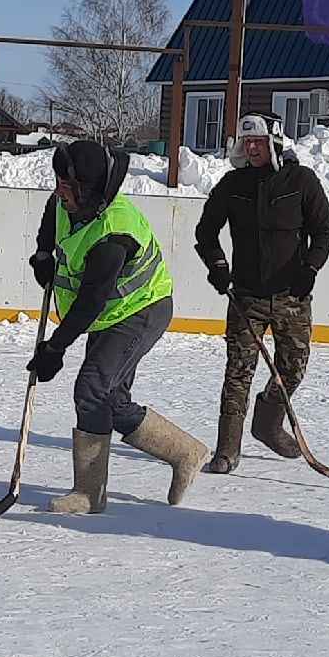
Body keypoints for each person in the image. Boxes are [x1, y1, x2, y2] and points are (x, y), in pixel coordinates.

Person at [27, 140, 208, 512]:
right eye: (58, 183)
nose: (59, 193)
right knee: (110, 398)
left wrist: (54, 349)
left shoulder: (114, 233)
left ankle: (89, 494)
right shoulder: (65, 202)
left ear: (89, 191)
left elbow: (90, 303)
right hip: (111, 313)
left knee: (91, 389)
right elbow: (51, 217)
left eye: (67, 187)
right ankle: (185, 452)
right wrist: (44, 254)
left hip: (140, 311)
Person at [193, 113, 329, 472]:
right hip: (246, 297)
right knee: (238, 372)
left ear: (273, 142)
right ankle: (227, 450)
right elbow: (206, 232)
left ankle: (267, 424)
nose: (252, 148)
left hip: (292, 295)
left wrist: (311, 269)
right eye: (246, 143)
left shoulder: (301, 180)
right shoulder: (232, 184)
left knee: (293, 368)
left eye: (258, 142)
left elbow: (324, 231)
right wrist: (218, 267)